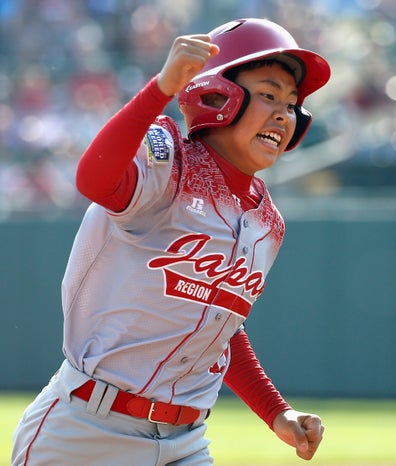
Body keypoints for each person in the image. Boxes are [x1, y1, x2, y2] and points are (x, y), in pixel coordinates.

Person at [12, 18, 331, 466]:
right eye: (269, 93)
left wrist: (277, 412)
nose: (284, 113)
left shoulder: (267, 222)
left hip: (185, 441)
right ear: (219, 95)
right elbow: (94, 179)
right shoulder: (168, 159)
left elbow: (220, 329)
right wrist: (161, 87)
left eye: (292, 103)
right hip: (86, 431)